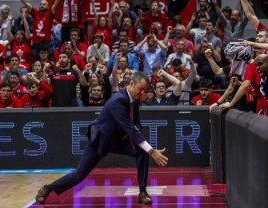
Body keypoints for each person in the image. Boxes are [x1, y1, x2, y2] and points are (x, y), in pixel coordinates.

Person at [34, 71, 168, 204]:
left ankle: (142, 192)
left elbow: (136, 123)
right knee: (80, 174)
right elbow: (131, 128)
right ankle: (47, 189)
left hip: (117, 138)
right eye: (140, 89)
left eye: (144, 90)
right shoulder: (118, 101)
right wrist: (152, 151)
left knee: (141, 151)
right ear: (132, 83)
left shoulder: (135, 99)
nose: (142, 93)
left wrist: (145, 143)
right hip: (99, 138)